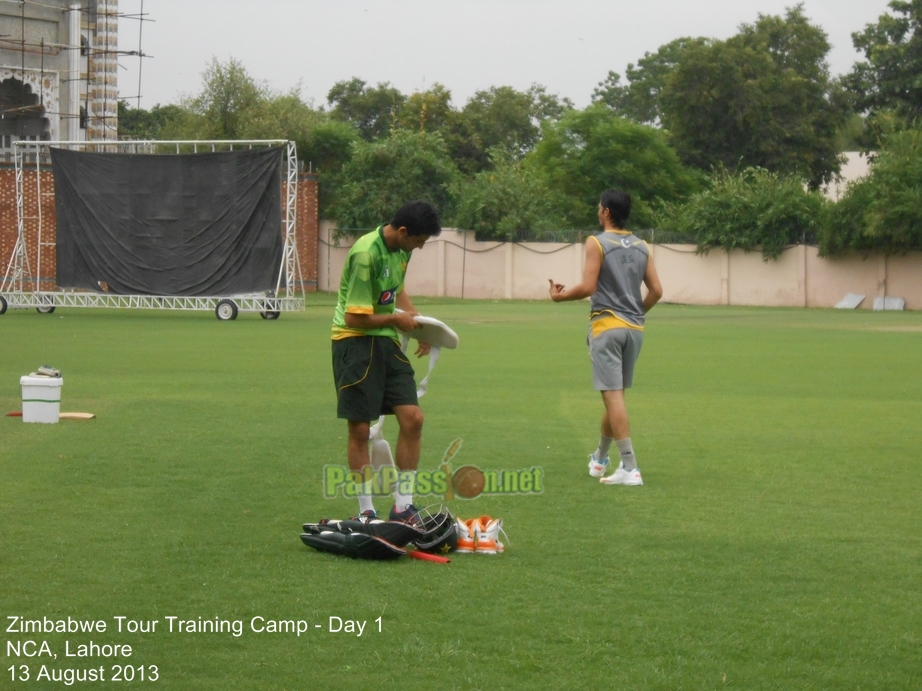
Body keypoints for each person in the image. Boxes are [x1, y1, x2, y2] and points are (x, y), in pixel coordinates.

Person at [331, 200, 441, 521]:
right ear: (404, 231)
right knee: (360, 429)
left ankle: (403, 507)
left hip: (385, 342)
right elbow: (354, 318)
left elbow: (396, 290)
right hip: (353, 343)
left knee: (413, 419)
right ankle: (366, 512)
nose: (419, 249)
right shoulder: (367, 254)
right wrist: (397, 320)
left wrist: (419, 324)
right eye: (419, 242)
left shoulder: (401, 250)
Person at [548, 189, 663, 485]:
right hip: (635, 330)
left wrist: (559, 298)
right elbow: (657, 292)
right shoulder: (642, 246)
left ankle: (630, 467)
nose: (597, 211)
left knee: (612, 397)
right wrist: (636, 312)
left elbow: (588, 286)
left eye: (599, 207)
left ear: (607, 212)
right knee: (616, 397)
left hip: (606, 326)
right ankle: (600, 459)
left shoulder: (596, 242)